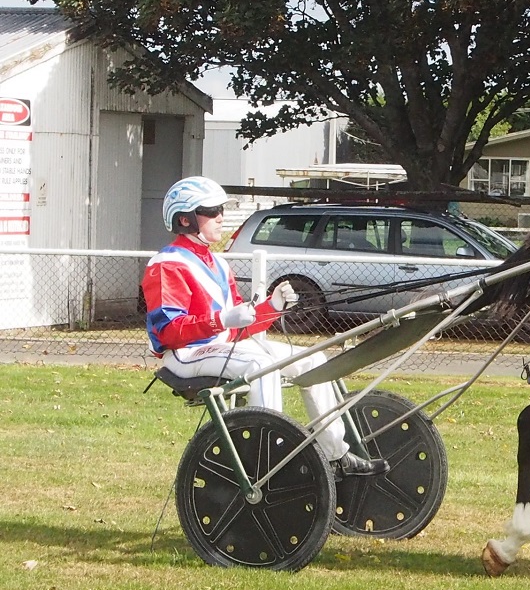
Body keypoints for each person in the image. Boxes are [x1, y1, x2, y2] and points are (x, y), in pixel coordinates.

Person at [143, 176, 388, 477]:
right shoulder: (166, 265)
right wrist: (221, 320)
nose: (220, 216)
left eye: (221, 209)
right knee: (261, 364)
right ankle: (272, 458)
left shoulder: (218, 264)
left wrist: (271, 308)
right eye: (211, 211)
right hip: (185, 356)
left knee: (314, 358)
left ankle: (336, 455)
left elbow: (238, 328)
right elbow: (168, 333)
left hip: (221, 347)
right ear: (184, 219)